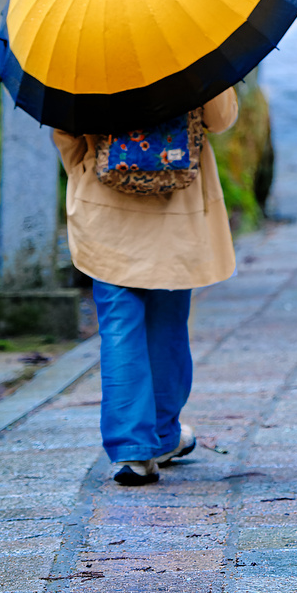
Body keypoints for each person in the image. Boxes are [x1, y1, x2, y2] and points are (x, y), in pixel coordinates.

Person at [53, 88, 240, 485]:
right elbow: (220, 119)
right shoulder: (188, 44)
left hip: (105, 206)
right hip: (178, 205)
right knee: (167, 324)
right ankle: (163, 435)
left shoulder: (81, 47)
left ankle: (133, 450)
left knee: (120, 326)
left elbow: (65, 131)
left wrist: (85, 174)